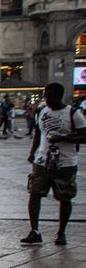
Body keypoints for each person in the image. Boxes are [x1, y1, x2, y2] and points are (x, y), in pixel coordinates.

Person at [22, 82, 86, 247]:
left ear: (59, 96)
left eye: (49, 96)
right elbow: (38, 133)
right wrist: (32, 152)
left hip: (65, 162)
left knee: (64, 197)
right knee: (35, 193)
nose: (46, 100)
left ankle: (61, 232)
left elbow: (84, 137)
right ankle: (34, 231)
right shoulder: (42, 111)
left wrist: (64, 138)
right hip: (42, 161)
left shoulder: (74, 113)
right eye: (45, 96)